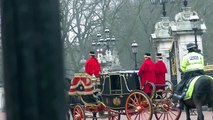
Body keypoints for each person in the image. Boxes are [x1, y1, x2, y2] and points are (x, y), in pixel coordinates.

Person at [173, 43, 205, 109]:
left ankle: (180, 102)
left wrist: (183, 71)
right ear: (194, 48)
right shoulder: (200, 55)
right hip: (200, 72)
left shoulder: (186, 57)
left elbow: (183, 68)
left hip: (190, 73)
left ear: (188, 49)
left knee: (181, 86)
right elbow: (202, 64)